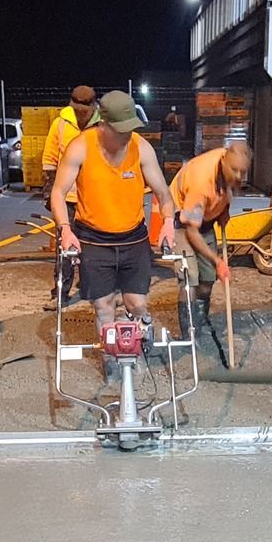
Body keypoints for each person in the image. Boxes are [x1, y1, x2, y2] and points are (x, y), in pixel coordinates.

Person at [48, 90, 177, 384]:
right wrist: (65, 230)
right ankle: (110, 356)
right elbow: (57, 193)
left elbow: (164, 194)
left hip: (133, 240)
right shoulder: (80, 148)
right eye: (122, 130)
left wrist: (168, 222)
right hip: (94, 241)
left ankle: (142, 327)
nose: (127, 135)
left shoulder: (141, 148)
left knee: (135, 303)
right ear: (102, 124)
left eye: (131, 128)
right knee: (104, 306)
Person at [167, 141, 251, 336]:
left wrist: (224, 209)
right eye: (235, 170)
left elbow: (231, 187)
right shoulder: (201, 183)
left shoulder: (232, 163)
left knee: (208, 278)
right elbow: (191, 232)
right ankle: (190, 332)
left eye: (243, 172)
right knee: (191, 280)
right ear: (223, 161)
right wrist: (217, 260)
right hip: (181, 221)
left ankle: (201, 321)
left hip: (205, 219)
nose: (239, 176)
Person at [40, 85, 97, 309]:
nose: (81, 113)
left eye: (85, 109)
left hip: (95, 197)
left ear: (94, 106)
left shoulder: (102, 125)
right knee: (65, 247)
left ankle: (92, 288)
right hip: (67, 198)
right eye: (77, 108)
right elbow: (50, 159)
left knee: (94, 246)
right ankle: (61, 294)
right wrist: (49, 192)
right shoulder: (60, 124)